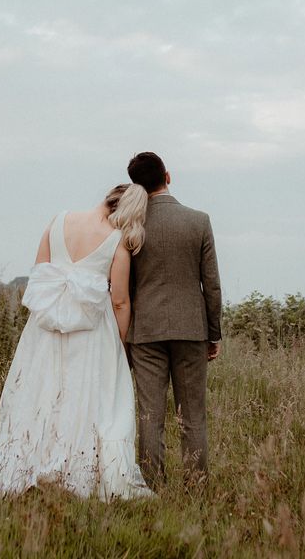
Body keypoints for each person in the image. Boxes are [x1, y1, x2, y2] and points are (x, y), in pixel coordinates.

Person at [0, 184, 153, 501]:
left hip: (45, 328)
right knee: (87, 400)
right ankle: (75, 470)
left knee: (42, 394)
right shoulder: (116, 242)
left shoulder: (58, 221)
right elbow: (119, 301)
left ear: (107, 196)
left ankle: (28, 466)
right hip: (92, 333)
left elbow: (41, 274)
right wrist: (119, 347)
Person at [126, 151, 222, 491]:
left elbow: (123, 285)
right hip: (191, 329)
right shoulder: (199, 221)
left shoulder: (130, 225)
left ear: (136, 186)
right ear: (168, 177)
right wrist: (214, 334)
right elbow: (210, 284)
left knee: (149, 416)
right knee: (192, 415)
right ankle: (197, 488)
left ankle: (152, 488)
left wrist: (125, 336)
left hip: (146, 332)